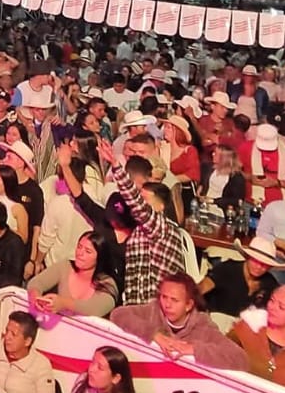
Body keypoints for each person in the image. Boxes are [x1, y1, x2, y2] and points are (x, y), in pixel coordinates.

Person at [109, 273, 248, 371]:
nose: (167, 305)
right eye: (164, 297)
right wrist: (153, 334)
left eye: (174, 300)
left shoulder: (203, 326)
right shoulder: (153, 310)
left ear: (188, 305)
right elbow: (118, 314)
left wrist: (194, 349)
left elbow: (240, 359)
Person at [104, 152, 188, 305]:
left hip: (159, 307)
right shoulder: (141, 228)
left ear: (161, 206)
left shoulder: (162, 227)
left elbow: (137, 204)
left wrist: (116, 166)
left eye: (144, 200)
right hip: (137, 307)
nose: (139, 203)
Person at [27, 228, 118, 319]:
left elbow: (95, 309)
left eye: (88, 251)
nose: (80, 253)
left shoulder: (107, 283)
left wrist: (63, 303)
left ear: (99, 258)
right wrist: (36, 298)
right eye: (79, 247)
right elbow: (36, 283)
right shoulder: (65, 266)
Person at [200, 236, 285, 316]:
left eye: (264, 264)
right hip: (215, 319)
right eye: (255, 261)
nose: (259, 267)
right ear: (248, 257)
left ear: (270, 267)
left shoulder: (270, 283)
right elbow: (199, 290)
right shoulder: (227, 269)